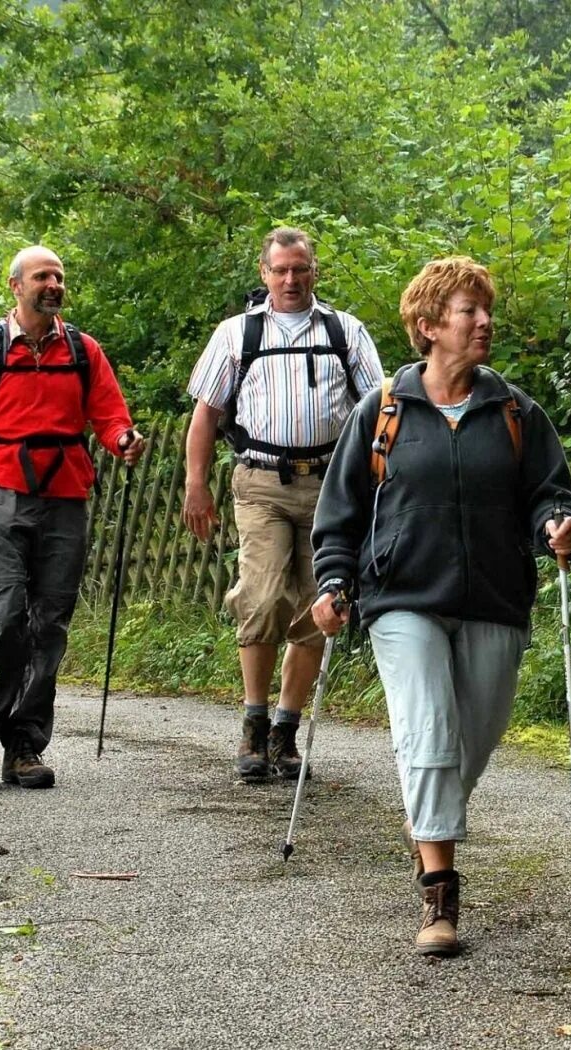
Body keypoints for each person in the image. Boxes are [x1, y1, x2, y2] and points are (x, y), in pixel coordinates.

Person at [310, 256, 571, 957]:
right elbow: (341, 511)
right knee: (427, 732)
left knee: (476, 735)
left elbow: (549, 493)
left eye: (485, 309)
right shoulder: (385, 412)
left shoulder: (517, 413)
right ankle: (440, 896)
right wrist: (333, 582)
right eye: (469, 311)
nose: (485, 321)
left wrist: (557, 524)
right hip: (402, 598)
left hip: (495, 597)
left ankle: (425, 825)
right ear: (429, 327)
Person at [0, 245, 145, 789]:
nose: (52, 284)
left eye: (58, 276)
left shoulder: (82, 349)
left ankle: (25, 744)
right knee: (5, 615)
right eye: (41, 277)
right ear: (16, 286)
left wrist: (121, 438)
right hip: (2, 489)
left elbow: (108, 412)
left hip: (66, 493)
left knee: (49, 623)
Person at [183, 227, 383, 782]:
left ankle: (285, 731)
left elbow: (380, 407)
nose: (291, 280)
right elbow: (204, 415)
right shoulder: (236, 334)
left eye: (300, 269)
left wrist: (384, 480)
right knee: (265, 595)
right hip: (262, 482)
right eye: (280, 270)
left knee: (320, 607)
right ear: (264, 272)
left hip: (330, 484)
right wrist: (195, 485)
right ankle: (253, 723)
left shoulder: (346, 331)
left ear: (315, 270)